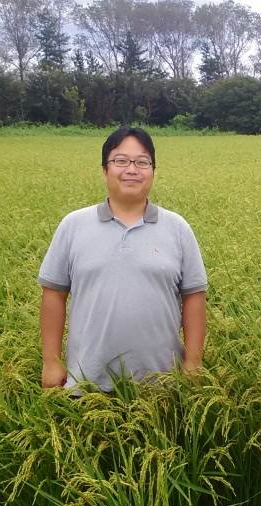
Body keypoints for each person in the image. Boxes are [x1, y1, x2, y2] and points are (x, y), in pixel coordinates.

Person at [37, 126, 207, 393]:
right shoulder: (73, 225)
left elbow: (194, 297)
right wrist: (51, 361)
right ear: (105, 170)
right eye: (121, 161)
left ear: (152, 171)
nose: (131, 169)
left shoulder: (177, 228)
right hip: (85, 382)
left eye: (142, 162)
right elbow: (53, 295)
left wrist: (194, 362)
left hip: (162, 385)